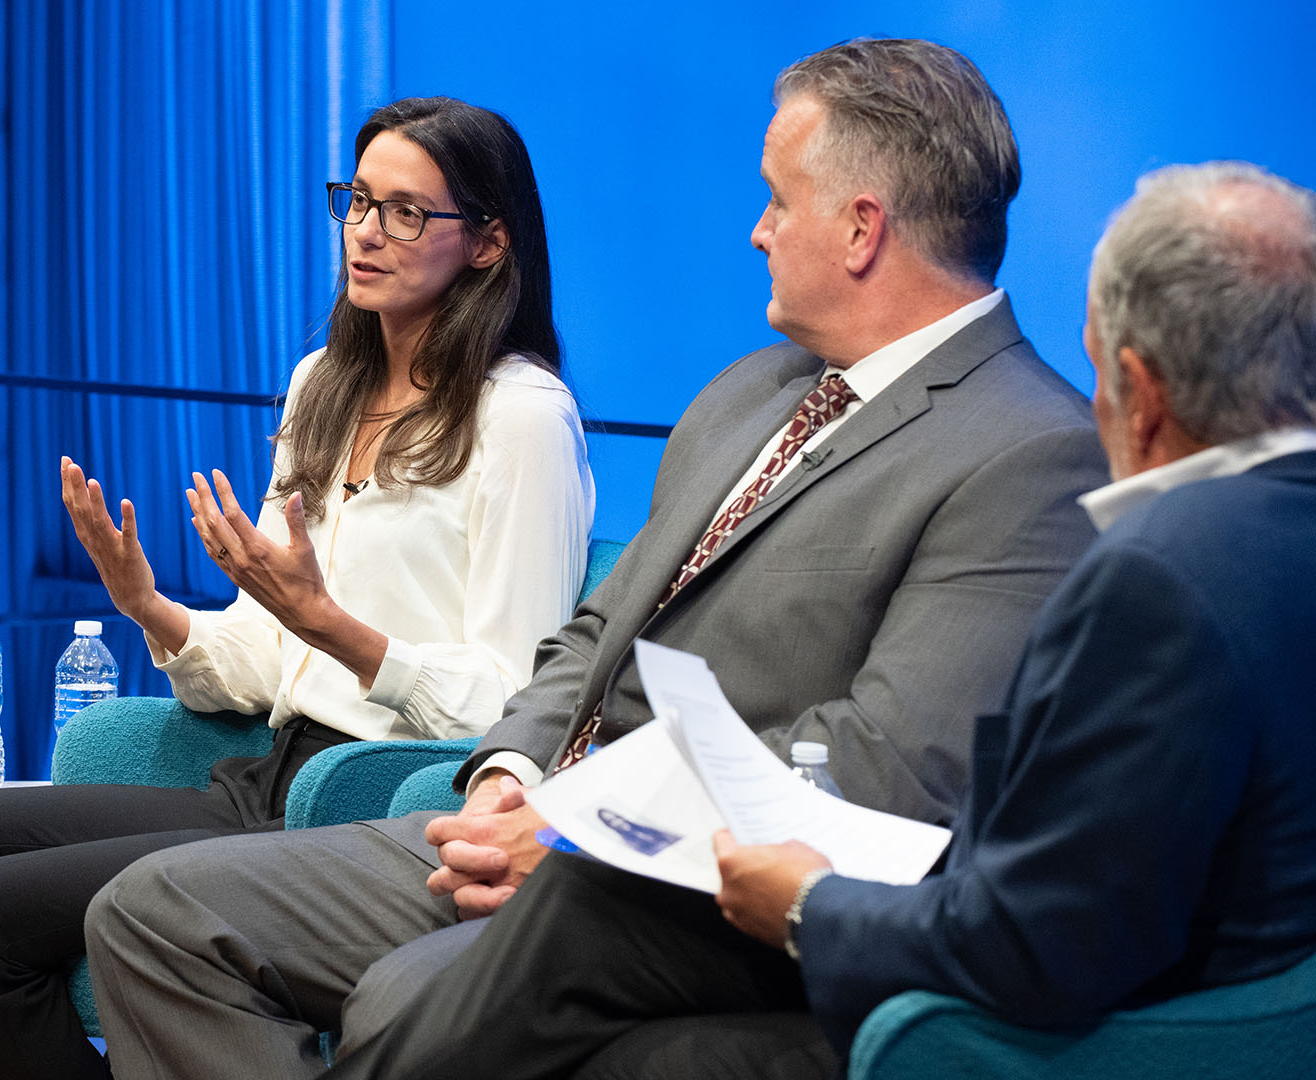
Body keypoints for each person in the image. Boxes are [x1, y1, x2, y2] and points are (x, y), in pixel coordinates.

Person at [83, 38, 1111, 1080]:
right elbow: (593, 634)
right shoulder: (749, 392)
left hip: (691, 888)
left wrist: (582, 829)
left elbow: (880, 764)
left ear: (860, 229)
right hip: (541, 821)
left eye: (776, 202)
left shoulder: (1029, 452)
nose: (757, 233)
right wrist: (508, 774)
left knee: (408, 998)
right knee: (154, 915)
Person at [311, 160, 1316, 1080]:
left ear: (1137, 391)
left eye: (1096, 374)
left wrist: (804, 902)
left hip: (1057, 1038)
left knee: (590, 945)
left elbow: (1037, 941)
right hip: (1184, 1004)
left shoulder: (1157, 573)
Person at [0, 96, 596, 1079]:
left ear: (486, 242)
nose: (366, 233)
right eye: (357, 202)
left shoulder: (522, 418)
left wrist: (332, 626)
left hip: (375, 802)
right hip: (270, 775)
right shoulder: (322, 386)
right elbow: (263, 660)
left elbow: (521, 702)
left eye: (406, 213)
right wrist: (149, 607)